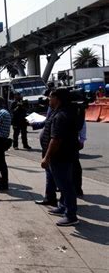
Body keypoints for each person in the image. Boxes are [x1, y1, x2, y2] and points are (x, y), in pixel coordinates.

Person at [41, 88, 80, 226]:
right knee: (63, 184)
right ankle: (63, 207)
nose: (48, 99)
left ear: (57, 99)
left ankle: (71, 215)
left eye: (51, 97)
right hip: (64, 155)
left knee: (66, 186)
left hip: (60, 156)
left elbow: (55, 139)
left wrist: (46, 157)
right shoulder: (63, 112)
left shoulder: (61, 116)